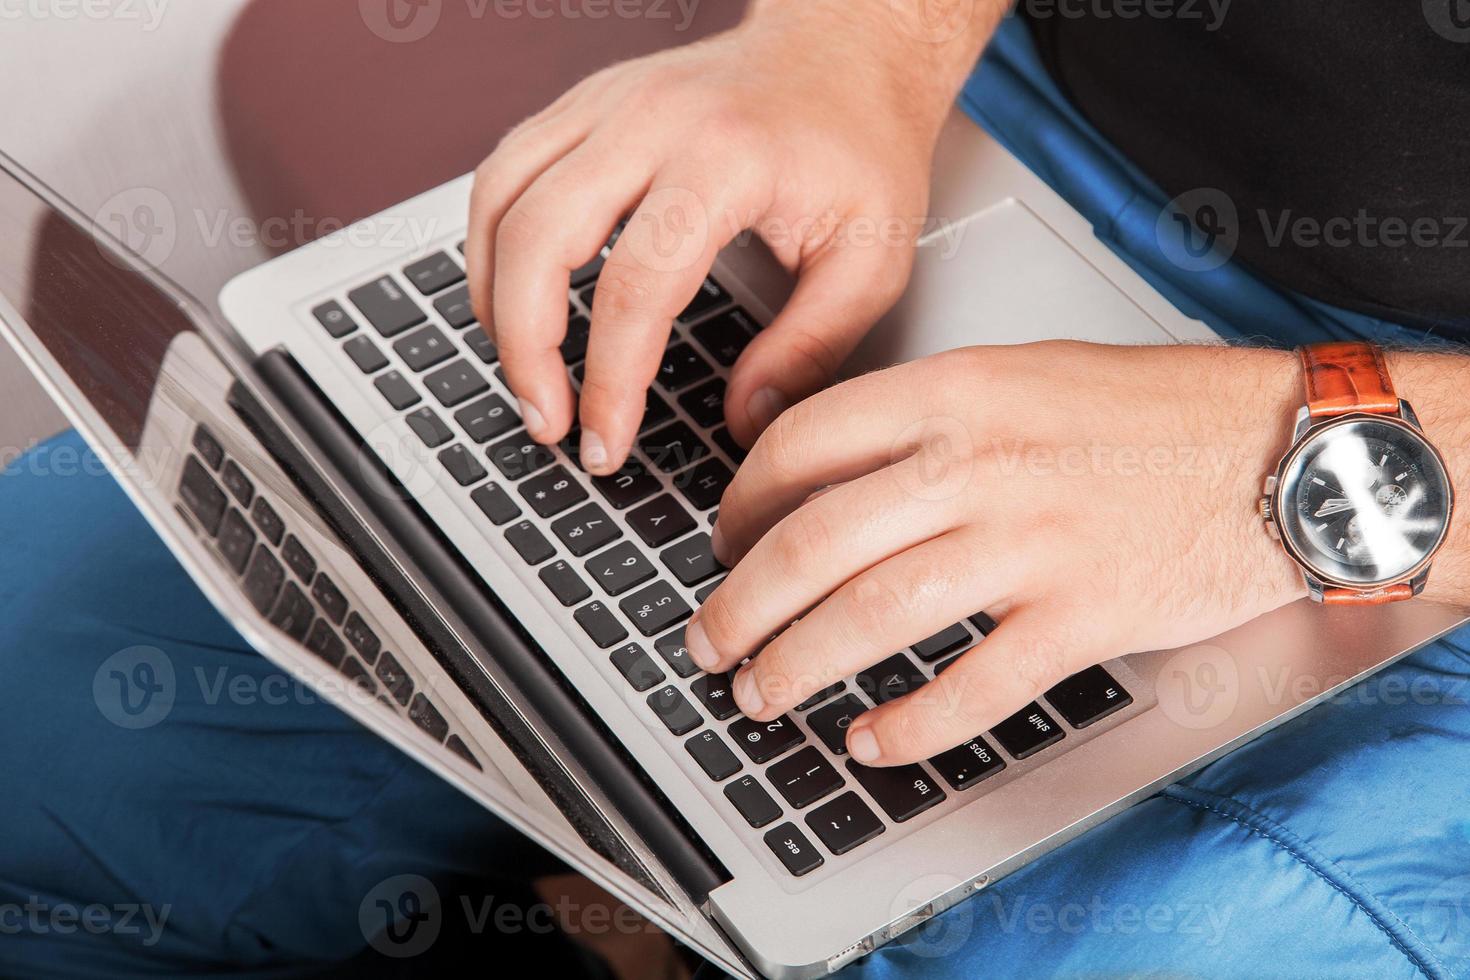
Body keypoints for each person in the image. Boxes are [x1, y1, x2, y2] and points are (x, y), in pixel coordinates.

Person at [6, 1, 1470, 976]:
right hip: (1010, 134)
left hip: (1427, 472)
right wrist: (851, 44)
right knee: (39, 711)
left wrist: (1303, 464)